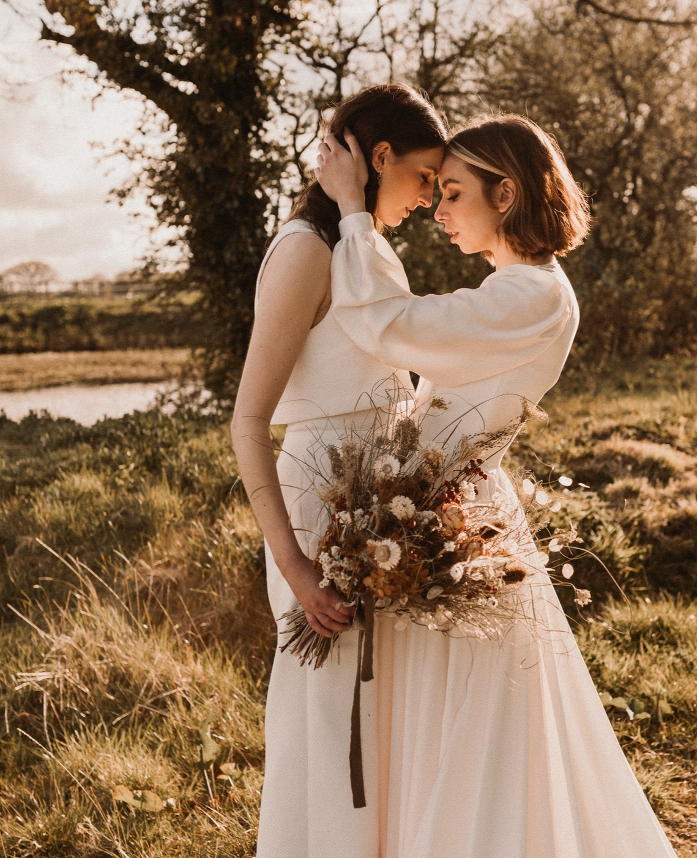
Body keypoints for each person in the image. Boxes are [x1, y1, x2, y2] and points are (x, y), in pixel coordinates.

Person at [314, 113, 679, 857]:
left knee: (481, 736)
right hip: (443, 517)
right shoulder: (510, 289)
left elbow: (391, 326)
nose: (439, 211)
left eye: (453, 193)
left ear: (505, 194)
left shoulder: (533, 296)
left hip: (460, 518)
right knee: (447, 721)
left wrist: (355, 213)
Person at [229, 83, 446, 857]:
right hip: (321, 514)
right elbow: (248, 424)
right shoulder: (305, 253)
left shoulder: (364, 246)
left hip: (381, 506)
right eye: (425, 177)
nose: (431, 197)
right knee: (328, 721)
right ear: (378, 158)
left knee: (383, 720)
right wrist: (295, 568)